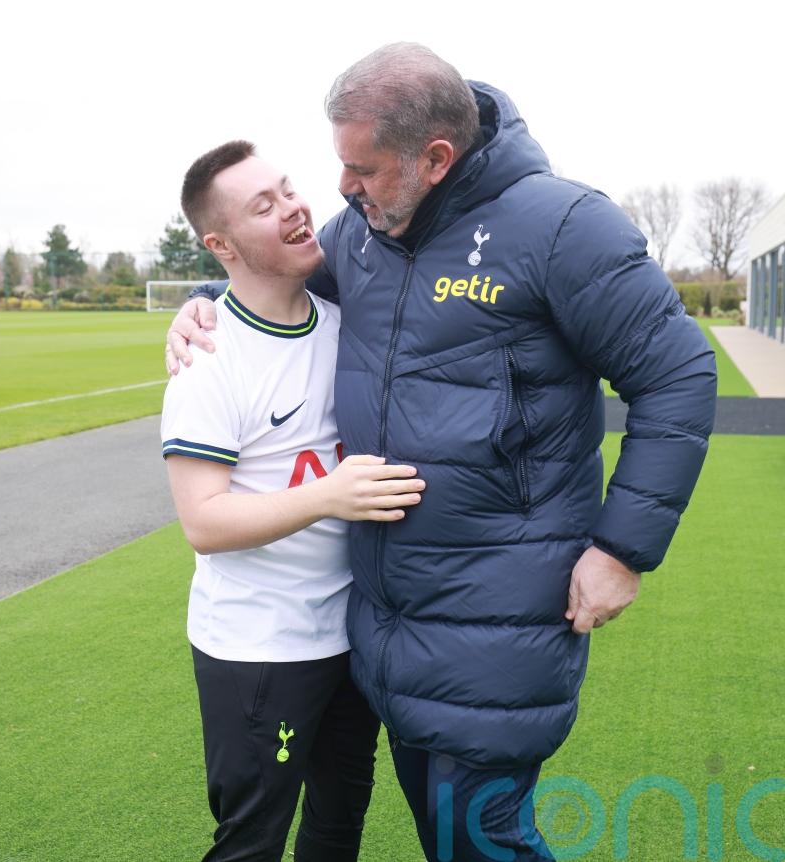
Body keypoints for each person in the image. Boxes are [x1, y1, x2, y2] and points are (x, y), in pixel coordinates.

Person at [166, 45, 717, 861]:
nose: (342, 189)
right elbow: (270, 285)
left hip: (501, 619)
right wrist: (200, 303)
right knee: (442, 835)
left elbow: (678, 373)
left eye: (364, 169)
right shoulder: (362, 236)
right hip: (387, 626)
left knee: (481, 838)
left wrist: (620, 550)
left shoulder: (563, 226)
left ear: (435, 158)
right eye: (340, 166)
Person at [161, 139, 427, 862]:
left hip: (352, 636)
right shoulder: (207, 361)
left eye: (287, 189)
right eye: (263, 204)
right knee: (251, 840)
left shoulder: (343, 325)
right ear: (221, 245)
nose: (293, 207)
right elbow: (203, 521)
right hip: (259, 649)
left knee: (339, 825)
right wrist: (329, 494)